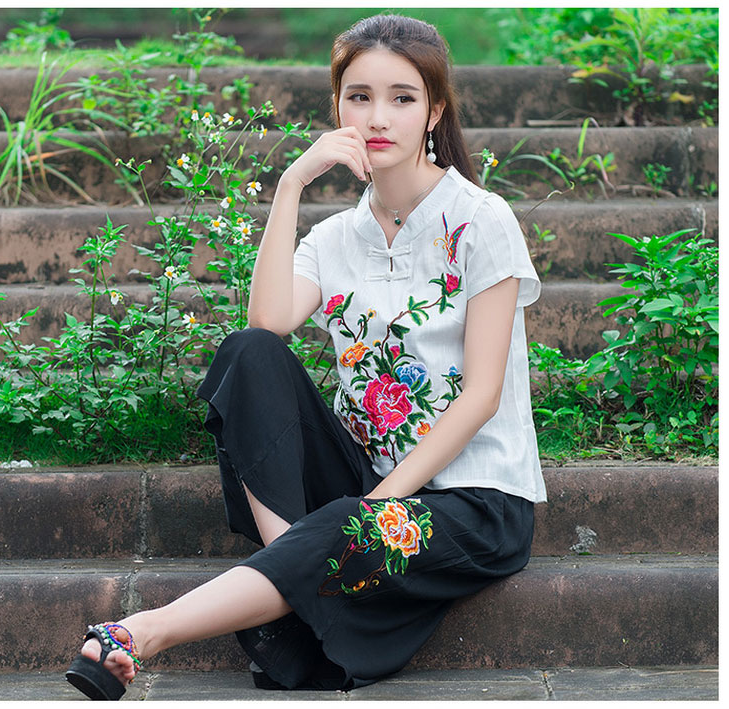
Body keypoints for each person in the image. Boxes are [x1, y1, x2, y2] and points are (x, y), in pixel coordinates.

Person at [65, 13, 547, 700]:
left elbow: (482, 397)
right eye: (359, 96)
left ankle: (141, 632)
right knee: (248, 354)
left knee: (347, 524)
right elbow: (267, 323)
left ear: (435, 110)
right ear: (337, 107)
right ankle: (301, 568)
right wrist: (291, 183)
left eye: (402, 98)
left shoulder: (481, 219)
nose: (378, 117)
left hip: (474, 502)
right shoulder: (336, 237)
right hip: (361, 482)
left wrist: (373, 507)